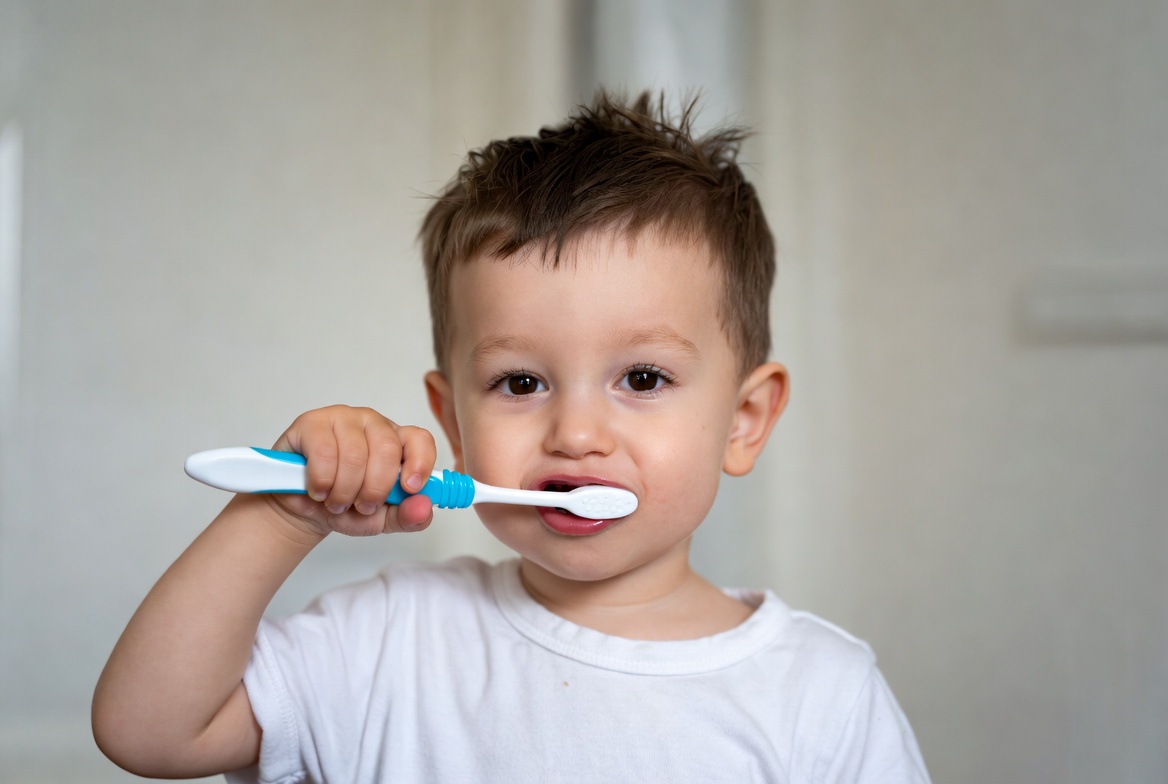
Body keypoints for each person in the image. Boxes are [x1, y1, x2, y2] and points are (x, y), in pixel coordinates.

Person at [93, 91, 930, 782]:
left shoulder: (820, 693)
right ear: (454, 422)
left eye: (642, 379)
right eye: (520, 383)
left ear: (743, 424)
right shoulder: (390, 639)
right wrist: (282, 516)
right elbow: (149, 732)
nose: (575, 433)